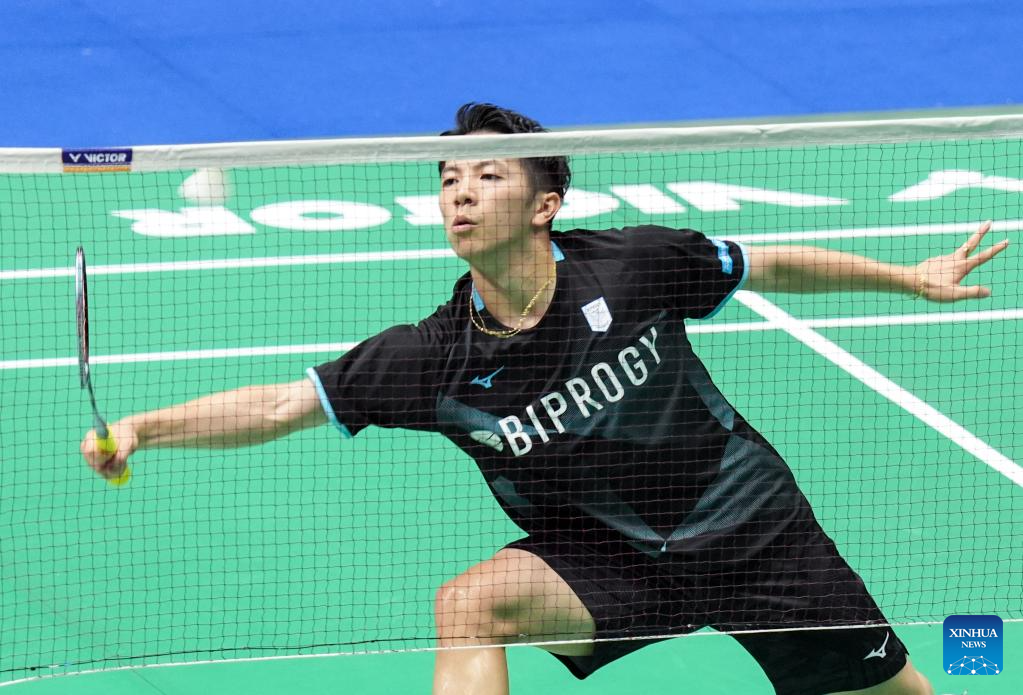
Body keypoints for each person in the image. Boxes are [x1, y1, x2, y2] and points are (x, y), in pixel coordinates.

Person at [82, 103, 1009, 695]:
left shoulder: (636, 266)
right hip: (610, 558)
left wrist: (908, 277)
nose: (460, 193)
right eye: (448, 178)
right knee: (468, 604)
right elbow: (278, 406)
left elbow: (767, 264)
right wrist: (142, 428)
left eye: (488, 175)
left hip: (751, 534)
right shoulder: (432, 358)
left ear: (543, 204)